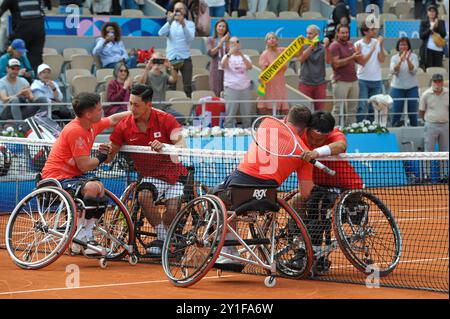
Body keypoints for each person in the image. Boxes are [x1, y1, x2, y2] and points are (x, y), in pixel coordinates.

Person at [213, 105, 314, 268]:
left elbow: (281, 126)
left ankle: (227, 250)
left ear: (287, 118)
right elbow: (306, 192)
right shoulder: (305, 152)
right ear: (306, 128)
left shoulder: (267, 122)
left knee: (216, 198)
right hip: (266, 199)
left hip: (239, 190)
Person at [40, 92, 130, 253]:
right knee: (93, 188)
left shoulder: (91, 124)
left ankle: (84, 235)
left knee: (100, 188)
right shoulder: (76, 131)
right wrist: (102, 157)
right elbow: (85, 166)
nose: (102, 111)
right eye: (99, 109)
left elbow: (114, 119)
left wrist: (142, 112)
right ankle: (83, 235)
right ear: (88, 114)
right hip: (55, 179)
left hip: (73, 177)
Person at [107, 84, 188, 256]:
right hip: (151, 176)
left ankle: (163, 239)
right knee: (143, 195)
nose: (132, 108)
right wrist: (104, 153)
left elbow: (182, 145)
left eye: (136, 105)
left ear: (148, 104)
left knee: (173, 209)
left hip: (174, 174)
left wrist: (166, 146)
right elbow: (109, 155)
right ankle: (163, 236)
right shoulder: (124, 126)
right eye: (130, 104)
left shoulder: (165, 119)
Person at [299, 110, 363, 274]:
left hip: (346, 186)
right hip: (317, 185)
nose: (314, 141)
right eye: (312, 137)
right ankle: (299, 244)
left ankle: (317, 255)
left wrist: (316, 152)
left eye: (319, 140)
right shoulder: (301, 134)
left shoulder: (335, 134)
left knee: (319, 206)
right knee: (296, 203)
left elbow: (340, 146)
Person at [158, 1, 196, 97]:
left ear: (185, 11)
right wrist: (169, 21)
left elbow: (190, 38)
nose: (178, 11)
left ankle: (188, 107)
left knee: (187, 85)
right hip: (171, 58)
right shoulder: (170, 24)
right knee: (171, 85)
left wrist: (183, 25)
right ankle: (172, 107)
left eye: (180, 9)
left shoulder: (190, 24)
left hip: (185, 58)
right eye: (176, 9)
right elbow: (160, 33)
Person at [0, 0, 48, 72]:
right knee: (36, 60)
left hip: (22, 31)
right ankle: (34, 80)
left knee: (14, 57)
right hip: (38, 31)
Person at [329, 24, 362, 126]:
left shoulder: (351, 45)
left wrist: (359, 55)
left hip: (354, 80)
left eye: (346, 32)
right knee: (338, 109)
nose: (345, 35)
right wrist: (352, 57)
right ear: (337, 33)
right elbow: (336, 63)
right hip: (340, 81)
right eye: (342, 33)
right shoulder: (334, 45)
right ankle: (333, 131)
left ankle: (351, 129)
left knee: (353, 109)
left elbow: (358, 60)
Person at [140, 52, 185, 122]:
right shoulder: (148, 74)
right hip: (150, 108)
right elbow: (141, 83)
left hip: (163, 108)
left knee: (181, 118)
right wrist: (147, 67)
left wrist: (170, 66)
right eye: (155, 60)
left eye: (159, 61)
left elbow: (174, 79)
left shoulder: (164, 75)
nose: (157, 63)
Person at [220, 36, 254, 128]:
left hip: (245, 87)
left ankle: (247, 130)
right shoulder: (226, 57)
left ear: (240, 44)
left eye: (237, 42)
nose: (235, 44)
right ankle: (228, 131)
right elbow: (222, 65)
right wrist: (229, 53)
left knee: (246, 113)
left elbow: (250, 67)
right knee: (230, 113)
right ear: (228, 45)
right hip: (231, 87)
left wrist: (241, 55)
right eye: (232, 43)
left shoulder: (246, 56)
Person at [355, 24, 385, 123]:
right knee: (362, 106)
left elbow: (382, 60)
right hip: (363, 79)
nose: (374, 31)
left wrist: (380, 45)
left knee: (374, 107)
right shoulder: (358, 44)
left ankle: (372, 126)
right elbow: (363, 62)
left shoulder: (377, 42)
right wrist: (373, 49)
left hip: (376, 80)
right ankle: (359, 126)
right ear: (365, 32)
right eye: (371, 30)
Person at [297, 25, 331, 111]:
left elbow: (328, 61)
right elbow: (301, 59)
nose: (308, 35)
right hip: (305, 82)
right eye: (307, 33)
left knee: (319, 111)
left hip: (320, 83)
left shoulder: (323, 46)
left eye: (310, 33)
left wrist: (327, 47)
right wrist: (311, 46)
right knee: (304, 110)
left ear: (317, 35)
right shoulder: (303, 45)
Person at [390, 37, 420, 127]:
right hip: (397, 88)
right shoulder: (394, 58)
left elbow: (413, 71)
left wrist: (407, 59)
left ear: (408, 46)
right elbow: (393, 71)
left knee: (413, 112)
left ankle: (414, 129)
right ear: (398, 46)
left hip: (412, 88)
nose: (403, 46)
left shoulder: (414, 57)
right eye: (401, 44)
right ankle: (394, 130)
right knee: (396, 111)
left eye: (405, 44)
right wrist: (400, 61)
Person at [258, 32, 289, 115]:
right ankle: (270, 127)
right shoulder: (264, 54)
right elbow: (263, 72)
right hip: (270, 84)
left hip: (281, 83)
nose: (271, 40)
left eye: (273, 38)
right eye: (269, 38)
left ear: (277, 40)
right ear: (266, 42)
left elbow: (298, 55)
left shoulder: (283, 51)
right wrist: (261, 80)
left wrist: (301, 44)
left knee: (285, 110)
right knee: (270, 110)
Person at [419, 73, 449, 152]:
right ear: (432, 82)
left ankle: (443, 165)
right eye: (435, 81)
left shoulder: (448, 93)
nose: (437, 84)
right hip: (431, 125)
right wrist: (428, 121)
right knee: (429, 150)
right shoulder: (425, 94)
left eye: (439, 82)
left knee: (444, 151)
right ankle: (427, 165)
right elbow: (421, 111)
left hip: (445, 125)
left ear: (442, 82)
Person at [419, 4, 447, 69]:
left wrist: (437, 27)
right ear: (427, 13)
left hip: (439, 50)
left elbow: (443, 34)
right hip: (428, 50)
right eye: (430, 11)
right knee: (429, 69)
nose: (432, 13)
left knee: (438, 69)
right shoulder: (424, 23)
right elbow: (421, 36)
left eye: (433, 11)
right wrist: (431, 28)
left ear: (436, 13)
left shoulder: (441, 22)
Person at [207, 19, 230, 97]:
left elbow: (231, 53)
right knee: (216, 89)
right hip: (215, 68)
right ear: (216, 28)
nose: (221, 28)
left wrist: (226, 42)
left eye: (224, 26)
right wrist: (221, 42)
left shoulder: (229, 40)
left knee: (226, 91)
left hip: (227, 68)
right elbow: (211, 53)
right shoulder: (211, 39)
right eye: (220, 26)